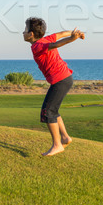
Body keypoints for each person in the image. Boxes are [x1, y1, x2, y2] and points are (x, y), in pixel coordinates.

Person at [23, 17, 85, 156]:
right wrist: (75, 33)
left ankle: (57, 145)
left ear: (31, 34)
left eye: (25, 30)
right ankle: (65, 138)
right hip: (64, 78)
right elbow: (61, 34)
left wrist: (72, 38)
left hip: (61, 80)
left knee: (48, 112)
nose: (23, 33)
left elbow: (56, 44)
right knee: (53, 110)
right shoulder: (45, 39)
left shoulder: (37, 46)